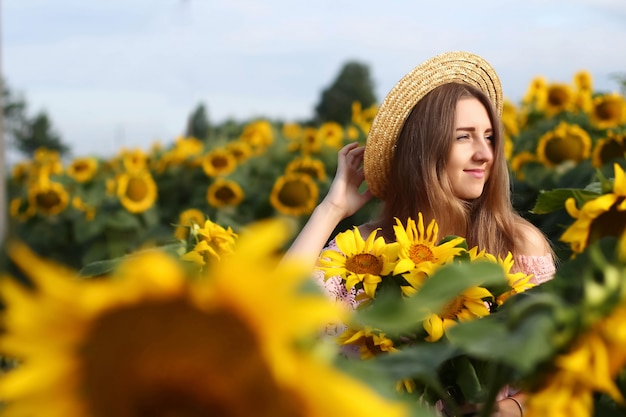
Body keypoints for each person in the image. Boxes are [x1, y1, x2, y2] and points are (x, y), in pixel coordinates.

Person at [286, 51, 556, 417]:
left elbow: (559, 367)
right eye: (464, 137)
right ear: (423, 149)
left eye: (490, 138)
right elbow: (279, 312)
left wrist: (511, 409)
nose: (484, 154)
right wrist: (331, 210)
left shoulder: (515, 242)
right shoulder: (363, 253)